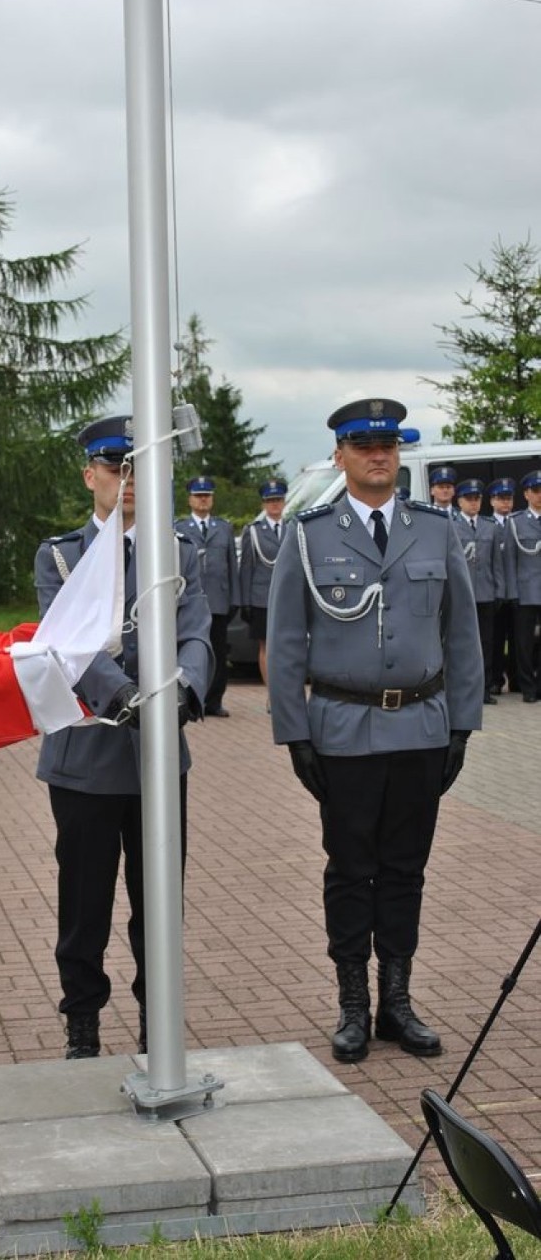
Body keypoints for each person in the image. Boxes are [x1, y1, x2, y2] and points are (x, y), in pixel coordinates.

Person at [267, 399, 483, 1064]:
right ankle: (353, 1005)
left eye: (387, 443)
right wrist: (294, 732)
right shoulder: (309, 534)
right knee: (350, 869)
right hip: (345, 729)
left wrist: (462, 725)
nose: (378, 455)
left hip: (420, 725)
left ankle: (397, 1002)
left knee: (404, 872)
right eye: (363, 445)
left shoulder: (436, 529)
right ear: (341, 457)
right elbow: (285, 637)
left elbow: (463, 633)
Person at [34, 415, 212, 1058]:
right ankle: (83, 1025)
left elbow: (195, 630)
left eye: (137, 467)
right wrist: (128, 696)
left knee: (160, 904)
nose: (126, 480)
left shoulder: (179, 553)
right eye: (114, 467)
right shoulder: (60, 555)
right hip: (87, 755)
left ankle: (155, 1026)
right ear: (90, 475)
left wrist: (187, 688)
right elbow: (69, 644)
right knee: (83, 908)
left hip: (160, 755)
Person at [174, 476, 239, 717]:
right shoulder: (179, 528)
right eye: (199, 495)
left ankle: (215, 701)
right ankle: (191, 697)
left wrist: (236, 599)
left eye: (207, 496)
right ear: (190, 499)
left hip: (218, 601)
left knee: (219, 654)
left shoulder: (223, 528)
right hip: (189, 601)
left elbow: (232, 566)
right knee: (190, 651)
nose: (203, 500)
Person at [453, 478, 505, 706]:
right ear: (459, 501)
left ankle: (484, 689)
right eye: (469, 499)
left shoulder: (489, 526)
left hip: (485, 593)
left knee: (486, 643)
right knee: (462, 643)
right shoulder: (452, 525)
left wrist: (499, 591)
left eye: (477, 499)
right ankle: (464, 690)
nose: (473, 504)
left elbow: (497, 564)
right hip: (463, 595)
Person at [239, 478, 288, 699]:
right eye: (270, 501)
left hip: (288, 597)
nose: (274, 505)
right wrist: (245, 601)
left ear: (284, 502)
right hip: (262, 598)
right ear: (263, 504)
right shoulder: (254, 531)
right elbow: (247, 568)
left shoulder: (294, 527)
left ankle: (286, 691)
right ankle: (272, 694)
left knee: (287, 646)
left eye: (278, 500)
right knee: (266, 647)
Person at [503, 469, 541, 703]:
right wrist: (512, 593)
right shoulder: (515, 523)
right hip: (526, 592)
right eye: (535, 491)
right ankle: (528, 687)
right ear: (526, 494)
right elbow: (509, 562)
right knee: (524, 644)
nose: (539, 496)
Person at [487, 477, 519, 695]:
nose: (505, 503)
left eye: (508, 499)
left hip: (517, 591)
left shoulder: (518, 523)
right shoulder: (488, 525)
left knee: (518, 640)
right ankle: (496, 680)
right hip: (495, 592)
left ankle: (516, 680)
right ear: (492, 501)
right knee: (496, 640)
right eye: (501, 499)